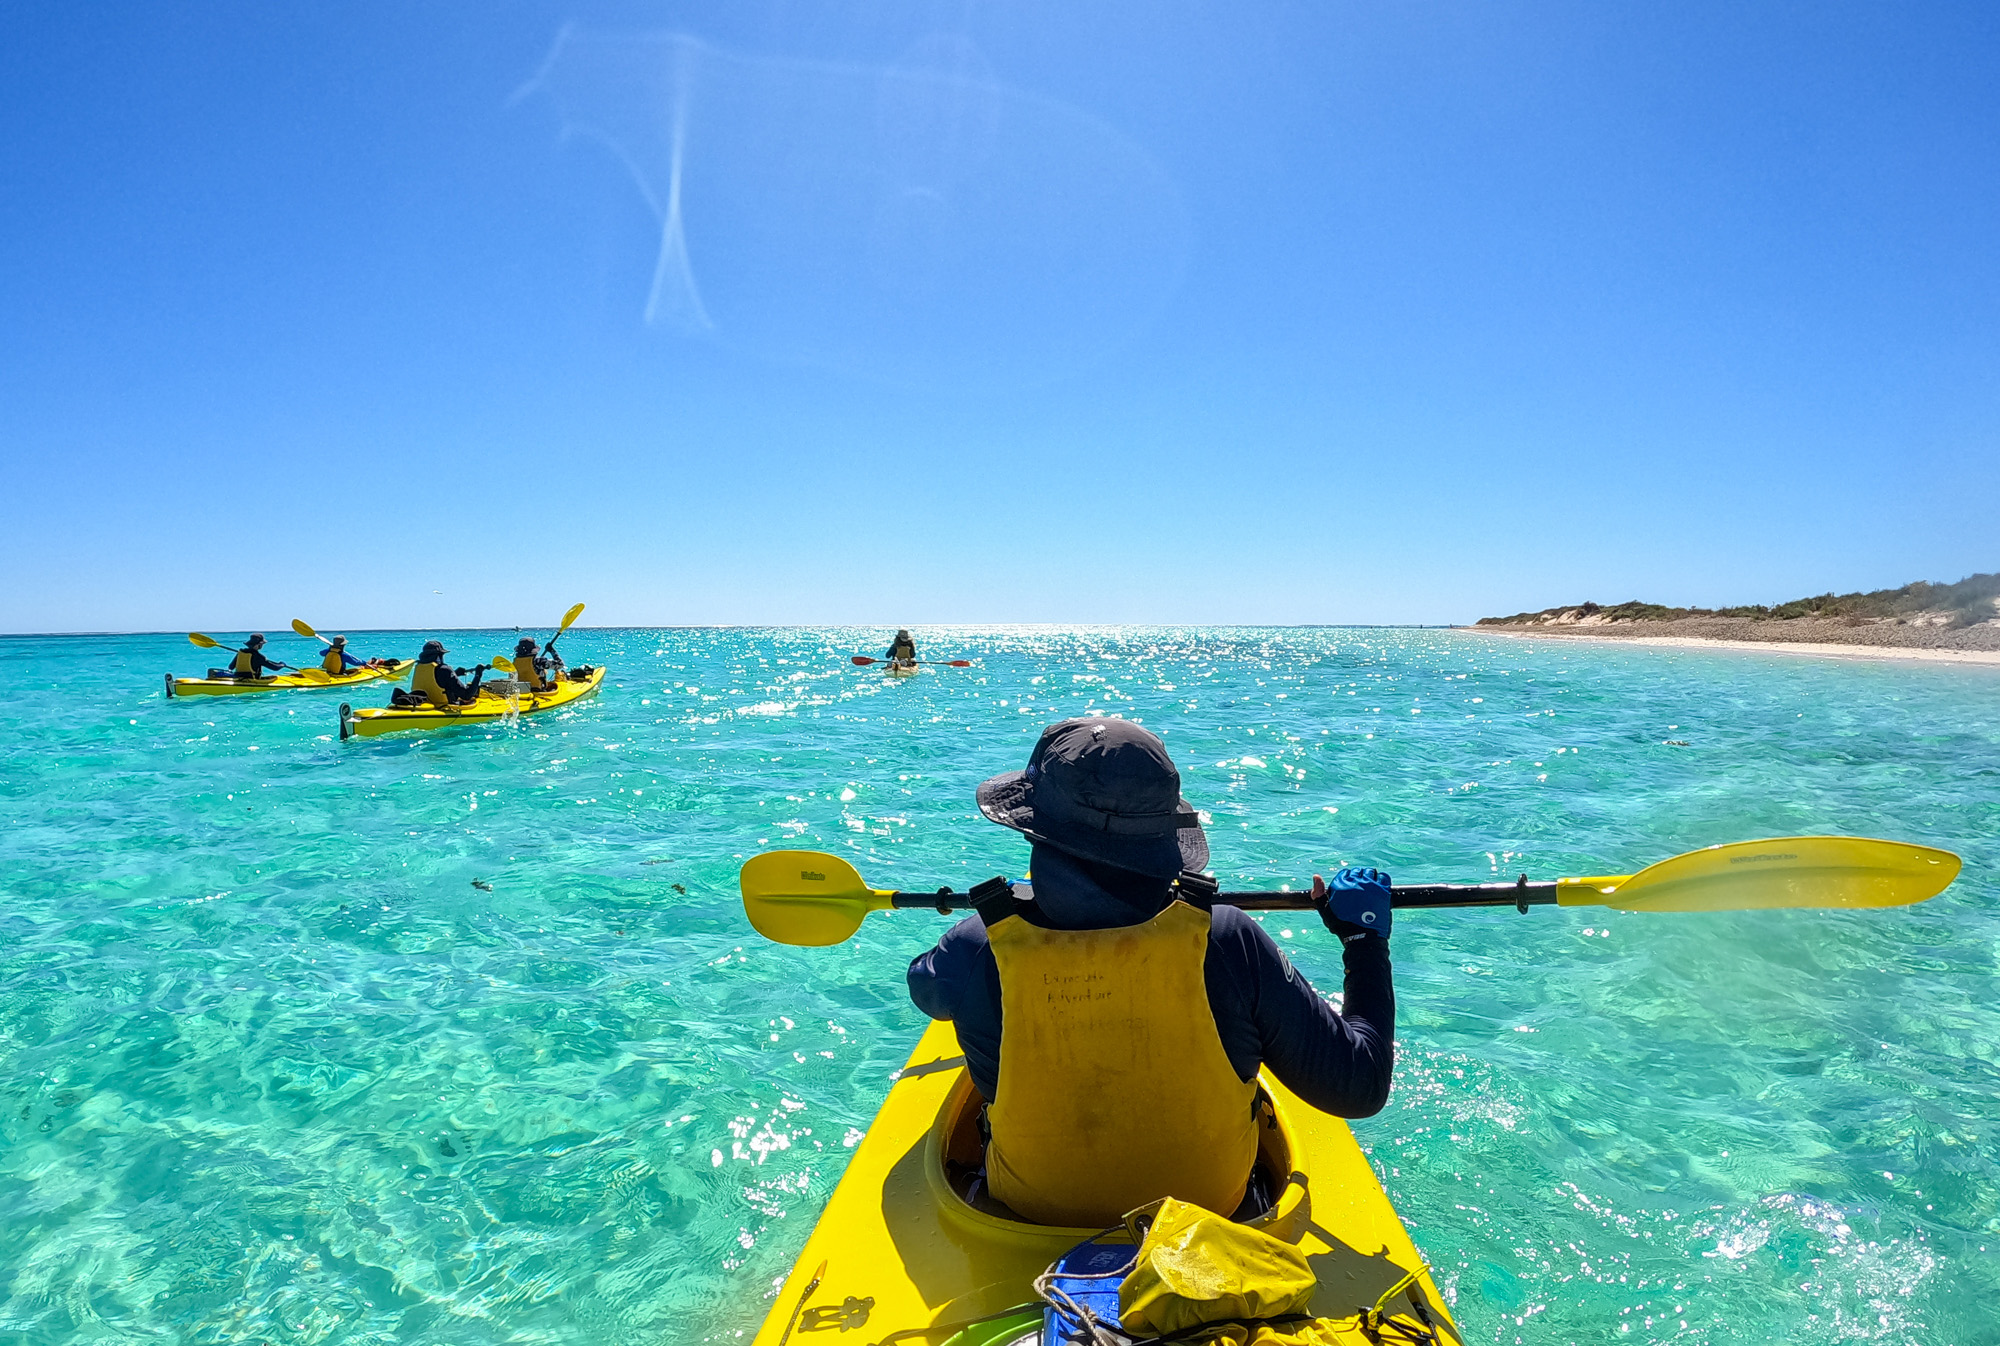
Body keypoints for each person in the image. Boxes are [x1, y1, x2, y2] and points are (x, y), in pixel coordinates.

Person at [906, 717, 1394, 1228]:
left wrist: (1002, 913)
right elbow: (1357, 1088)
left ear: (1034, 827)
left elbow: (926, 988)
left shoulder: (976, 945)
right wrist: (1363, 940)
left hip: (1032, 1210)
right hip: (1213, 1209)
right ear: (1162, 831)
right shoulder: (1227, 939)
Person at [405, 640, 488, 707]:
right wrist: (478, 675)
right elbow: (466, 695)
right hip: (443, 706)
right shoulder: (444, 669)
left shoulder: (419, 667)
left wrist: (455, 674)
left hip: (423, 704)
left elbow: (433, 679)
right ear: (439, 656)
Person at [222, 633, 288, 679]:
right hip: (252, 680)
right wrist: (282, 664)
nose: (262, 646)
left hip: (238, 678)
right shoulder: (259, 656)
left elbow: (231, 667)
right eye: (262, 644)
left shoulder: (240, 653)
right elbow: (275, 668)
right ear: (258, 645)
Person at [317, 636, 391, 675]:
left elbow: (321, 653)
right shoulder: (344, 655)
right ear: (343, 645)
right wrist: (364, 663)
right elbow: (355, 662)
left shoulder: (327, 651)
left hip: (327, 673)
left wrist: (330, 648)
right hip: (339, 674)